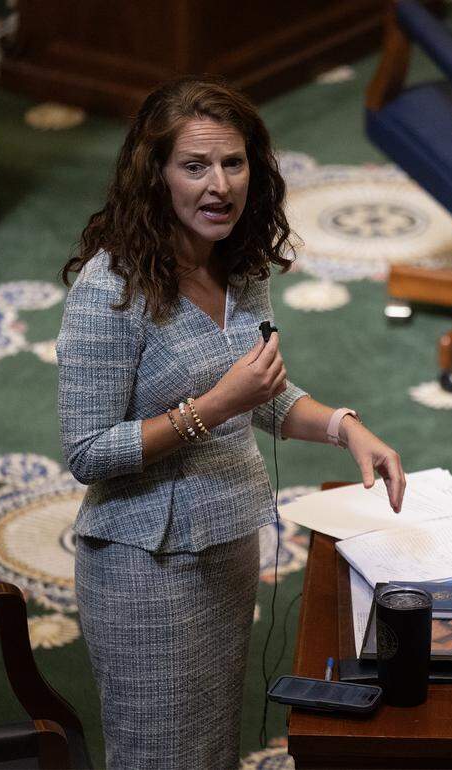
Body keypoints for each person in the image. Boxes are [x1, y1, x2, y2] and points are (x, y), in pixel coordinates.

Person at [56, 76, 406, 769]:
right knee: (159, 756)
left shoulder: (239, 264)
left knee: (212, 746)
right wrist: (212, 407)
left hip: (228, 545)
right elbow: (89, 453)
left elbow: (266, 394)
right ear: (153, 176)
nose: (219, 186)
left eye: (233, 163)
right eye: (194, 166)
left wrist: (345, 427)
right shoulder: (108, 291)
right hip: (144, 565)